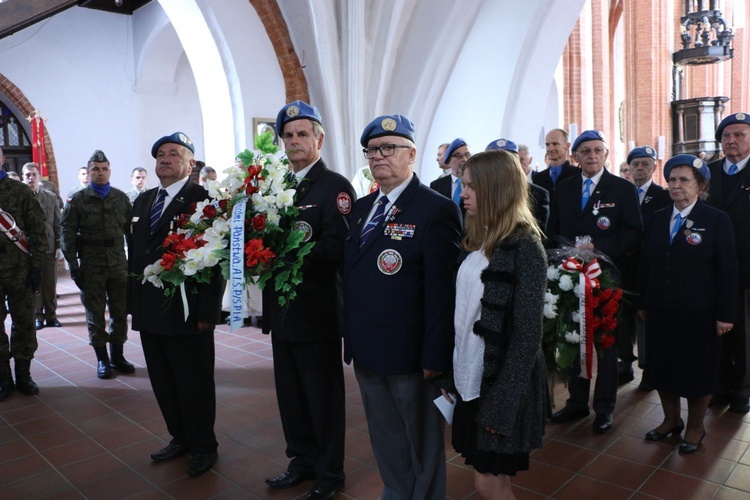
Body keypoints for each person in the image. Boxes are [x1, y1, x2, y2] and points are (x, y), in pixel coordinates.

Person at [343, 114, 462, 499]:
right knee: (384, 433)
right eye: (373, 150)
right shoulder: (361, 209)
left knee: (422, 440)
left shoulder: (435, 209)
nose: (379, 156)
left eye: (389, 148)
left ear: (412, 154)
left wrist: (435, 355)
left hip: (412, 353)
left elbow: (442, 293)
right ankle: (396, 491)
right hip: (368, 347)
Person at [262, 101, 354, 500]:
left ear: (319, 138)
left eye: (303, 134)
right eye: (289, 134)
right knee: (291, 396)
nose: (295, 141)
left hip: (316, 311)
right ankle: (301, 461)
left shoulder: (334, 187)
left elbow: (338, 248)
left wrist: (283, 255)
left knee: (322, 399)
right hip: (282, 313)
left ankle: (330, 473)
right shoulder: (273, 185)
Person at [445, 150, 548, 499]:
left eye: (472, 187)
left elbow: (527, 337)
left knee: (487, 481)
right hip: (471, 376)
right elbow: (463, 314)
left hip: (501, 385)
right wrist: (452, 373)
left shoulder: (525, 248)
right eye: (463, 185)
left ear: (496, 189)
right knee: (488, 477)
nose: (464, 194)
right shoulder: (477, 239)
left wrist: (503, 402)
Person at [128, 132, 224, 477]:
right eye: (160, 155)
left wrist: (207, 312)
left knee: (193, 381)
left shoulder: (203, 201)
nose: (165, 159)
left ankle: (203, 445)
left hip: (188, 311)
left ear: (190, 163)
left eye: (174, 154)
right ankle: (179, 437)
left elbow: (215, 260)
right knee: (163, 380)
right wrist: (132, 305)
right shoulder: (143, 201)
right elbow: (136, 257)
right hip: (149, 308)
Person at [638, 154, 738, 454]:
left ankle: (695, 426)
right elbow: (646, 266)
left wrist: (725, 314)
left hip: (700, 313)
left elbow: (727, 270)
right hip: (660, 309)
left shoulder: (716, 220)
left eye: (684, 180)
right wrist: (643, 302)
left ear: (701, 185)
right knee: (661, 368)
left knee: (697, 373)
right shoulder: (655, 219)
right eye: (672, 179)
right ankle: (670, 420)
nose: (676, 185)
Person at [546, 129, 643, 434]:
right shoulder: (563, 189)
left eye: (597, 150)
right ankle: (576, 403)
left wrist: (598, 249)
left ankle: (604, 408)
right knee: (572, 335)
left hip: (605, 278)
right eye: (585, 151)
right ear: (575, 156)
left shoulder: (622, 190)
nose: (591, 156)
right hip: (569, 276)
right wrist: (564, 256)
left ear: (606, 155)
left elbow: (633, 233)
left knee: (605, 344)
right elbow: (552, 231)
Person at [61, 150, 134, 379]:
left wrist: (134, 263)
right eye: (95, 169)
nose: (100, 173)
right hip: (91, 265)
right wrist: (73, 266)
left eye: (104, 169)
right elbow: (67, 234)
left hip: (118, 264)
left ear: (109, 171)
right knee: (94, 314)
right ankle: (102, 359)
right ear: (89, 171)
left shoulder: (121, 198)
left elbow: (130, 232)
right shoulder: (78, 199)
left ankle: (118, 355)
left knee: (120, 312)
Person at [706, 112, 750, 414]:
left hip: (747, 268)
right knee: (716, 330)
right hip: (710, 268)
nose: (731, 140)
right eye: (726, 136)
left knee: (745, 334)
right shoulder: (707, 173)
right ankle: (719, 385)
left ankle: (743, 389)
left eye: (739, 134)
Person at [617, 146, 671, 389]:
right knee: (621, 319)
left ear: (654, 167)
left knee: (645, 319)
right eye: (635, 164)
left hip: (648, 267)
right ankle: (624, 364)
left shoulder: (663, 196)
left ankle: (648, 370)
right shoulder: (620, 193)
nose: (640, 168)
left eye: (645, 164)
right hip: (623, 267)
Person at [0, 147, 47, 401]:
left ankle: (24, 374)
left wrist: (37, 266)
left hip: (20, 270)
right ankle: (3, 377)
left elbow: (38, 230)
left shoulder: (21, 191)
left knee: (25, 322)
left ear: (2, 159)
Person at [21, 162, 63, 329]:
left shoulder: (50, 197)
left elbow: (58, 223)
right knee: (34, 283)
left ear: (39, 177)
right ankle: (38, 316)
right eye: (27, 175)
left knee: (50, 283)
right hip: (28, 247)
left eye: (33, 175)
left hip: (49, 245)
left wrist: (59, 245)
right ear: (23, 177)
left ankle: (52, 316)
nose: (31, 178)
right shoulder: (20, 198)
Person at [485, 138, 550, 235]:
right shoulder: (481, 193)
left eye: (506, 161)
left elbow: (538, 236)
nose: (501, 167)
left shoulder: (538, 194)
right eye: (495, 162)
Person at [430, 137, 470, 219]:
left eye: (467, 155)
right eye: (458, 156)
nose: (464, 159)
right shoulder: (436, 186)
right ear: (448, 161)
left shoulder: (478, 184)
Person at [532, 129, 579, 196]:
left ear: (567, 146)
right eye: (547, 145)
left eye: (555, 144)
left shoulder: (578, 175)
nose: (550, 149)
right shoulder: (538, 178)